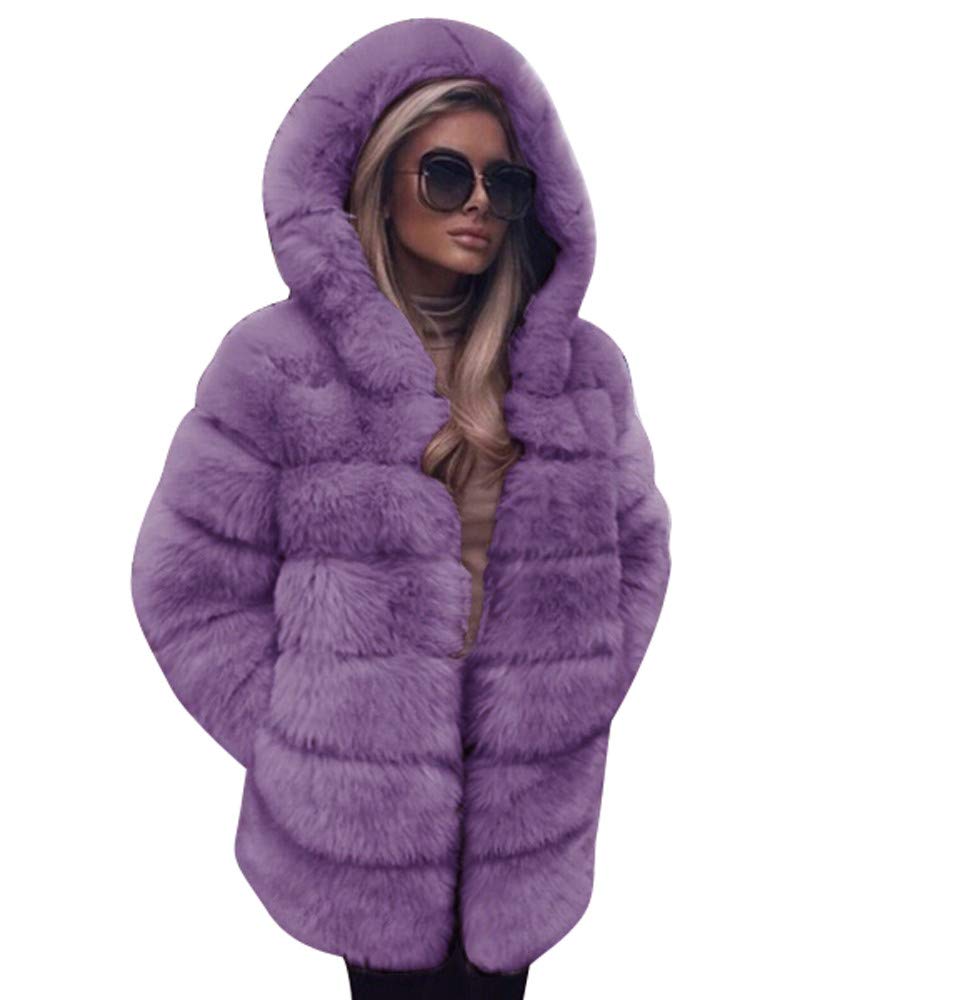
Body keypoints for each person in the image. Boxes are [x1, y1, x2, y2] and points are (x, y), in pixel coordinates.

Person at [130, 18, 671, 999]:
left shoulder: (581, 372)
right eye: (446, 176)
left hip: (523, 816)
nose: (479, 204)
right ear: (380, 183)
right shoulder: (278, 365)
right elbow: (187, 587)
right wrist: (308, 744)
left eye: (505, 183)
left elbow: (638, 552)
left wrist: (568, 704)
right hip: (362, 827)